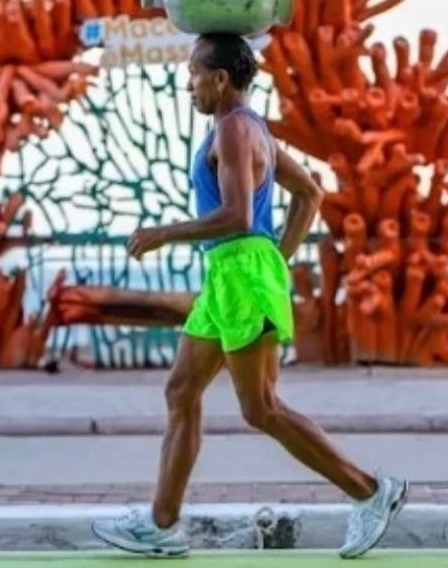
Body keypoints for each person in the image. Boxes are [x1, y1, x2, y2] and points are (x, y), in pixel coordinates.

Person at [91, 33, 408, 559]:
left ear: (220, 79)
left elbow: (238, 216)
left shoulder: (236, 129)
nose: (188, 84)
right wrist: (276, 259)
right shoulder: (248, 128)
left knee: (260, 408)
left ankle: (372, 492)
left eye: (194, 73)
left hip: (239, 270)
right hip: (231, 274)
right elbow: (310, 194)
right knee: (181, 392)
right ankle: (161, 525)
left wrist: (164, 233)